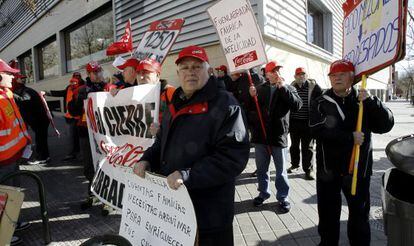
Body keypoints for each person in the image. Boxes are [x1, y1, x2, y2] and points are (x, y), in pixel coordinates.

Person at [133, 45, 250, 245]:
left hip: (209, 214)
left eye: (197, 67)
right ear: (178, 72)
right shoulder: (175, 102)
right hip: (176, 209)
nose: (190, 72)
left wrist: (187, 175)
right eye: (185, 67)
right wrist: (146, 159)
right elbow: (163, 141)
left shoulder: (226, 105)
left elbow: (232, 158)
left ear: (209, 70)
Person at [310, 60, 394, 246]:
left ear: (352, 77)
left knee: (359, 216)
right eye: (333, 75)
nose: (337, 77)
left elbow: (386, 125)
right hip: (328, 171)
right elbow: (317, 130)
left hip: (358, 170)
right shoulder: (320, 102)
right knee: (328, 215)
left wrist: (372, 102)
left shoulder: (364, 100)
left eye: (342, 73)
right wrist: (349, 138)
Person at [248, 61, 302, 212]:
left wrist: (283, 88)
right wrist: (251, 96)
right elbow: (250, 109)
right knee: (261, 168)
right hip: (261, 136)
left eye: (278, 70)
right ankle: (263, 193)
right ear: (267, 74)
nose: (276, 73)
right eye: (273, 71)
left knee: (281, 170)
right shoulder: (259, 89)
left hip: (279, 136)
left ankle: (283, 196)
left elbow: (297, 105)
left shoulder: (288, 88)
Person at [0, 59, 32, 245]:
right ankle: (4, 234)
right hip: (3, 161)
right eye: (9, 74)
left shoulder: (7, 94)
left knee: (13, 194)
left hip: (14, 156)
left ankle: (13, 221)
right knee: (4, 197)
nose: (13, 77)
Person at [68, 61, 107, 210]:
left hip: (105, 133)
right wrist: (78, 101)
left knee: (105, 165)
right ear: (89, 74)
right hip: (86, 132)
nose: (98, 75)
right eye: (95, 72)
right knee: (89, 167)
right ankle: (92, 194)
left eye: (100, 71)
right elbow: (73, 112)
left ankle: (106, 199)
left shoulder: (109, 87)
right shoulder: (81, 89)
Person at [287, 67, 322, 180]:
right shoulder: (291, 87)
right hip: (294, 122)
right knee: (294, 146)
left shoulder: (314, 87)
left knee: (308, 147)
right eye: (298, 74)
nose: (301, 76)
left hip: (308, 123)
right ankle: (295, 164)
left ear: (307, 76)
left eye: (303, 74)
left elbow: (320, 102)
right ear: (295, 77)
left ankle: (309, 170)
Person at [12, 74, 51, 165]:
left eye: (23, 78)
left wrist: (13, 95)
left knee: (41, 139)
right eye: (21, 78)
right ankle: (45, 156)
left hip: (40, 120)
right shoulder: (21, 90)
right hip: (38, 120)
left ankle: (43, 158)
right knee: (41, 139)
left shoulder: (25, 91)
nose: (23, 80)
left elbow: (24, 100)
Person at [46, 72, 84, 161]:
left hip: (80, 117)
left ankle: (81, 155)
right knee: (71, 137)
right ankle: (72, 154)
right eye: (73, 79)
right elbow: (60, 93)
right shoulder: (69, 88)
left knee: (80, 137)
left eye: (77, 78)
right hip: (69, 117)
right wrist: (48, 93)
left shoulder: (83, 87)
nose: (74, 82)